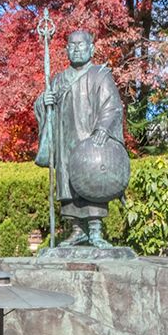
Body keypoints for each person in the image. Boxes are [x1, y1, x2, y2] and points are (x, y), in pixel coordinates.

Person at [34, 29, 125, 248]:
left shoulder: (100, 75)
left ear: (91, 49)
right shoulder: (58, 80)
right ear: (66, 50)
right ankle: (76, 230)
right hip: (66, 141)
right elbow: (44, 108)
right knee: (68, 184)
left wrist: (103, 129)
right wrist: (44, 101)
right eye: (72, 46)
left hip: (91, 140)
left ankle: (95, 230)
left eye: (81, 45)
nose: (76, 49)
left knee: (93, 179)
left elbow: (111, 106)